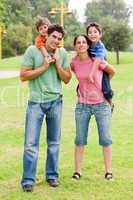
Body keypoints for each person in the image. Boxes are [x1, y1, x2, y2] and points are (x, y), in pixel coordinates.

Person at [20, 24, 71, 192]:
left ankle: (52, 176)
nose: (56, 40)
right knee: (30, 144)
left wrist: (56, 64)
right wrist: (44, 66)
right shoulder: (32, 51)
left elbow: (67, 79)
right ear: (46, 35)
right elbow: (23, 75)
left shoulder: (62, 53)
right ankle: (28, 180)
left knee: (54, 143)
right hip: (36, 103)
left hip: (56, 102)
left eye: (59, 38)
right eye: (54, 37)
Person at [70, 34, 116, 181]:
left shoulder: (96, 60)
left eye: (84, 42)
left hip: (101, 104)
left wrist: (102, 84)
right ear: (75, 46)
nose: (81, 44)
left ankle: (108, 172)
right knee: (80, 139)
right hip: (82, 105)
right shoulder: (74, 63)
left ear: (88, 45)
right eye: (78, 42)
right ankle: (77, 172)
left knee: (105, 138)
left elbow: (112, 71)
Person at [86, 22, 114, 110]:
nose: (92, 34)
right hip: (91, 66)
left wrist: (91, 74)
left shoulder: (100, 47)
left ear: (100, 34)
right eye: (90, 32)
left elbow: (98, 60)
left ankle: (110, 104)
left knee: (105, 89)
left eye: (95, 32)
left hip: (102, 68)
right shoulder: (87, 44)